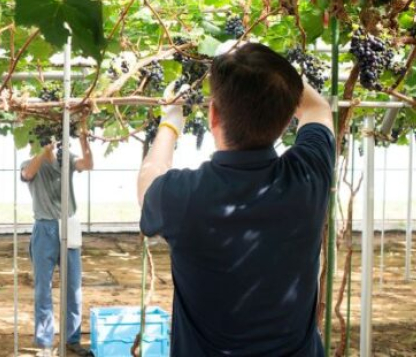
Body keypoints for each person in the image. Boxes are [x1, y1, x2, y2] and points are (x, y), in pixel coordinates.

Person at [137, 42, 334, 356]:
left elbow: (149, 177)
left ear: (213, 114)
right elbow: (318, 108)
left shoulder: (184, 197)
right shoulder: (308, 177)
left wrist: (170, 124)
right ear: (287, 121)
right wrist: (270, 72)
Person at [21, 130, 94, 357]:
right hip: (45, 229)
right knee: (43, 287)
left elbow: (88, 164)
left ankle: (72, 339)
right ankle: (44, 342)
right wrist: (44, 152)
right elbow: (28, 173)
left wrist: (83, 140)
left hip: (68, 226)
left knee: (73, 287)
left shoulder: (67, 159)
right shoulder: (30, 162)